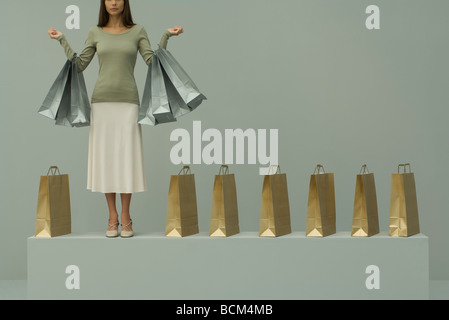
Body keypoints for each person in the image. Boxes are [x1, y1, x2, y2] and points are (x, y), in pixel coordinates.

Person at [48, 0, 183, 238]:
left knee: (126, 159)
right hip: (101, 103)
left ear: (125, 2)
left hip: (129, 103)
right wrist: (62, 39)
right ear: (104, 3)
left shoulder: (138, 31)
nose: (113, 2)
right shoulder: (95, 32)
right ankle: (112, 217)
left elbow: (152, 62)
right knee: (106, 160)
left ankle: (126, 217)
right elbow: (79, 66)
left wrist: (165, 36)